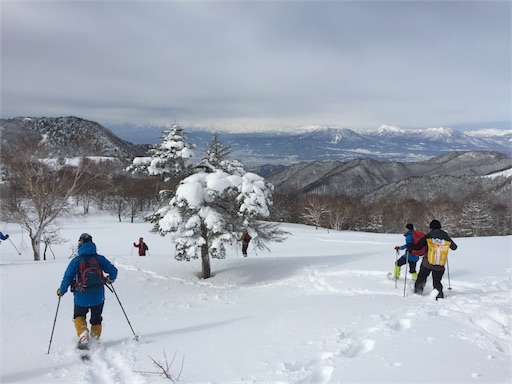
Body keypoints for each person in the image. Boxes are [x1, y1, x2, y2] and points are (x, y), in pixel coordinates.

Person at [57, 233, 118, 348]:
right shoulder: (100, 259)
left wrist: (61, 291)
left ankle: (83, 333)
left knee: (79, 316)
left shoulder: (76, 261)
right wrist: (109, 280)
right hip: (98, 296)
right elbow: (114, 271)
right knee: (96, 318)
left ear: (80, 244)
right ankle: (95, 339)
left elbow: (68, 277)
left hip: (81, 296)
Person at [408, 220, 457, 300]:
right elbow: (454, 247)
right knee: (437, 281)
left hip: (427, 262)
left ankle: (418, 292)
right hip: (440, 263)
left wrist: (410, 246)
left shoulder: (429, 236)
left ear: (431, 227)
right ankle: (439, 295)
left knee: (422, 277)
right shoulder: (445, 236)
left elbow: (418, 246)